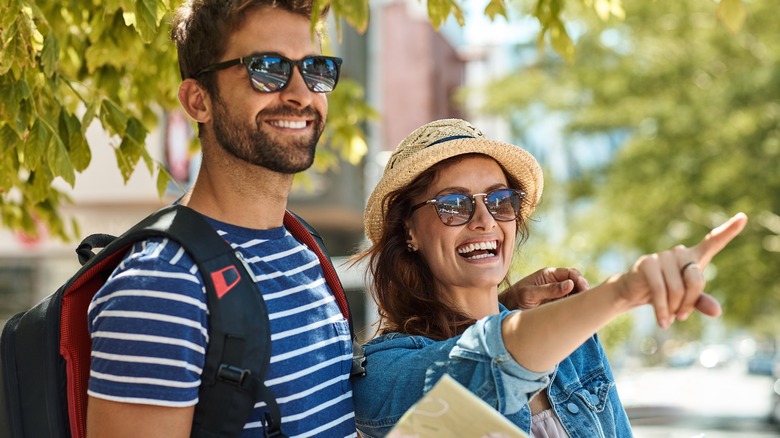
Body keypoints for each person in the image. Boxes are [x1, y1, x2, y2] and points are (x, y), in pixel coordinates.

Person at [352, 118, 747, 437]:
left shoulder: (572, 343)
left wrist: (509, 309)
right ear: (409, 232)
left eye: (499, 200)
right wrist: (623, 291)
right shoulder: (384, 371)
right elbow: (485, 363)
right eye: (453, 205)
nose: (484, 220)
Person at [85, 1, 355, 436]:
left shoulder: (306, 251)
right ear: (198, 100)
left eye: (315, 69)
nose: (301, 94)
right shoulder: (162, 286)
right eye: (268, 68)